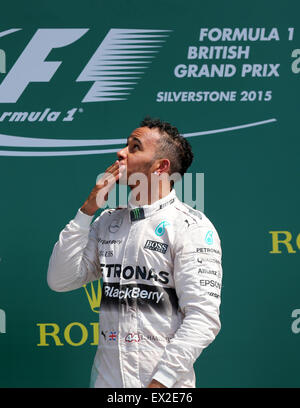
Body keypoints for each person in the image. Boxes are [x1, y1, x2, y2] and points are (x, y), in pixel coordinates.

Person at [47, 116, 223, 388]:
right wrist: (87, 211)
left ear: (160, 167)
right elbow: (60, 280)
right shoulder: (107, 221)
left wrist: (160, 383)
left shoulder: (191, 226)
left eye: (135, 147)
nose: (121, 153)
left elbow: (203, 319)